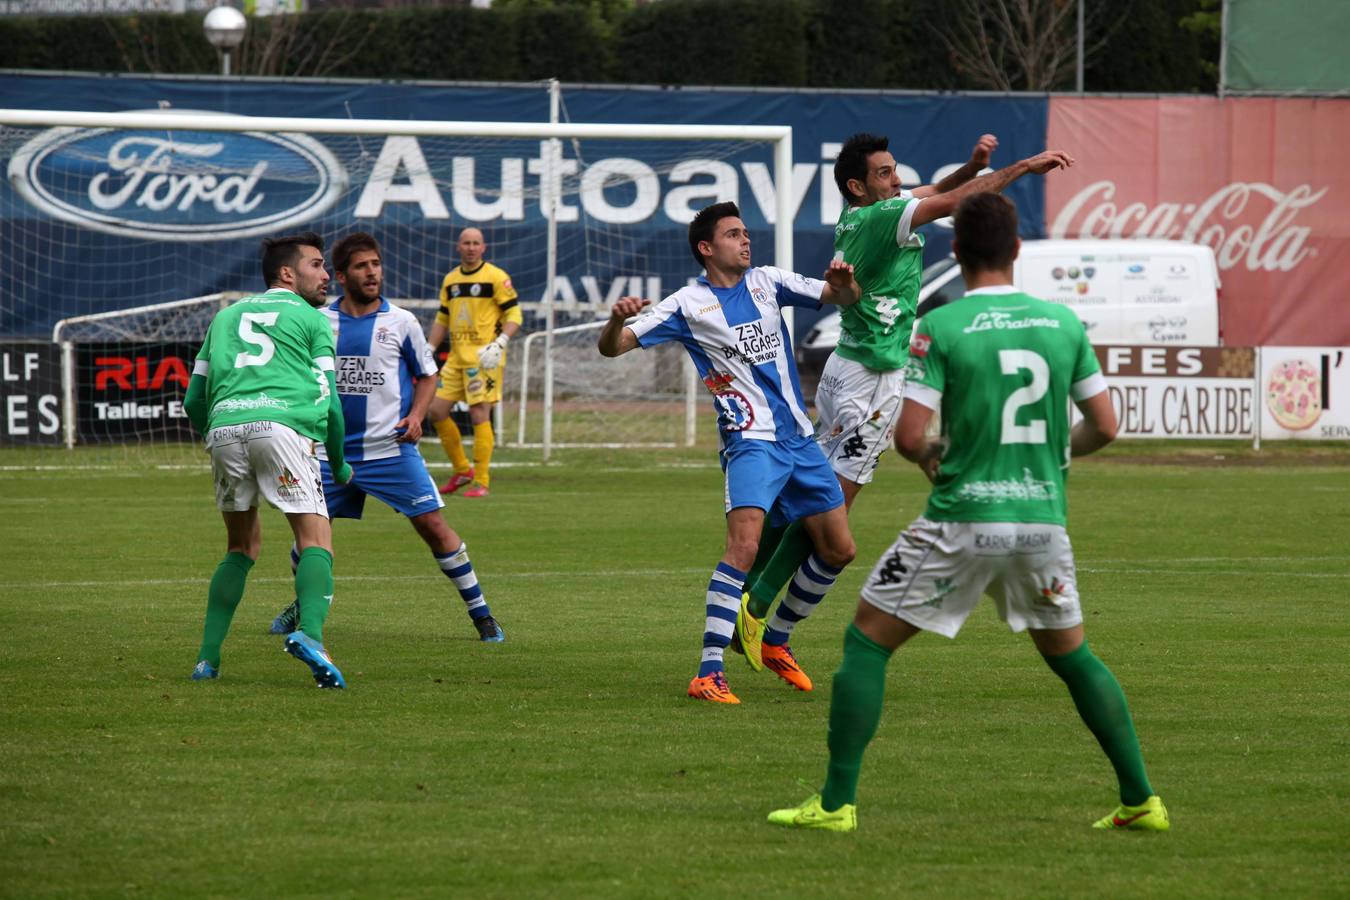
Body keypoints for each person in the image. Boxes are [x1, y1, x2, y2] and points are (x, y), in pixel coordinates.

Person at [768, 193, 1167, 833]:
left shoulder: (944, 326)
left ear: (956, 251)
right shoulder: (1062, 324)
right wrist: (1050, 453)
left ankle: (836, 806)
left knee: (865, 641)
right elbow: (1106, 427)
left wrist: (936, 458)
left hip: (962, 517)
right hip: (1041, 520)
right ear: (1015, 251)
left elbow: (909, 437)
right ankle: (1140, 799)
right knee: (1073, 658)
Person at [734, 134, 1075, 684]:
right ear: (858, 186)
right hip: (871, 379)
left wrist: (971, 164)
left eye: (895, 172)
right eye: (886, 173)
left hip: (849, 369)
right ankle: (757, 612)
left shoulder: (865, 212)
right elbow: (955, 202)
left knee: (811, 494)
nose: (896, 179)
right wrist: (1023, 167)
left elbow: (939, 189)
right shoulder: (881, 217)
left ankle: (754, 606)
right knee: (831, 508)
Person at [598, 201, 860, 704]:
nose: (746, 241)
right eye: (734, 234)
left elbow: (842, 296)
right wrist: (614, 322)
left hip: (799, 440)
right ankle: (708, 671)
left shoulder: (768, 281)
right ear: (706, 248)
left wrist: (843, 281)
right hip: (750, 442)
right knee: (743, 549)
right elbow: (614, 347)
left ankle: (774, 637)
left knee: (839, 550)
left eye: (745, 233)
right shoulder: (686, 305)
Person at [266, 232, 505, 643]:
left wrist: (416, 415)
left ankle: (483, 615)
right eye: (361, 266)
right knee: (309, 536)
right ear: (340, 275)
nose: (372, 272)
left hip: (390, 451)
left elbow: (428, 374)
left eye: (376, 264)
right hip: (328, 452)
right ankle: (304, 605)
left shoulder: (402, 322)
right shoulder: (319, 321)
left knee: (433, 525)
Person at [183, 232, 353, 689]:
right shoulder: (315, 320)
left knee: (240, 548)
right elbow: (332, 405)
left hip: (224, 429)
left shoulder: (225, 318)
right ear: (287, 273)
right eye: (317, 265)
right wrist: (338, 465)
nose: (326, 275)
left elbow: (193, 398)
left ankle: (207, 660)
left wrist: (219, 434)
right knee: (317, 537)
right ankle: (312, 636)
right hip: (281, 428)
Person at [425, 227, 522, 499]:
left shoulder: (495, 277)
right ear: (458, 247)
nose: (470, 247)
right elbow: (443, 318)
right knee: (436, 410)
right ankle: (462, 470)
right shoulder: (451, 280)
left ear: (484, 248)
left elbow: (515, 314)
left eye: (475, 243)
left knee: (480, 414)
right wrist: (430, 348)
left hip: (484, 359)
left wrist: (500, 342)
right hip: (456, 358)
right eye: (466, 243)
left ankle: (482, 480)